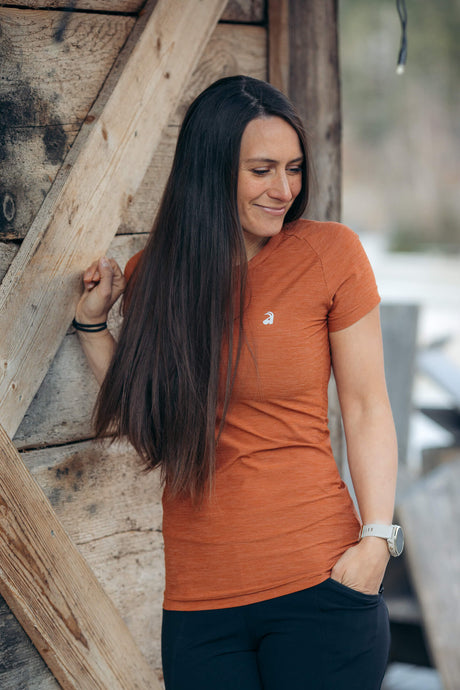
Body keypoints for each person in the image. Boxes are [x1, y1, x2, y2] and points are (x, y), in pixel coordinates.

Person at [74, 75, 399, 690]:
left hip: (320, 583)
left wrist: (377, 541)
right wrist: (92, 328)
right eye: (262, 170)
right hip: (199, 604)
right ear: (211, 168)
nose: (285, 190)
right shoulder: (154, 276)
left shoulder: (329, 254)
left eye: (294, 169)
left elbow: (366, 407)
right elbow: (154, 430)